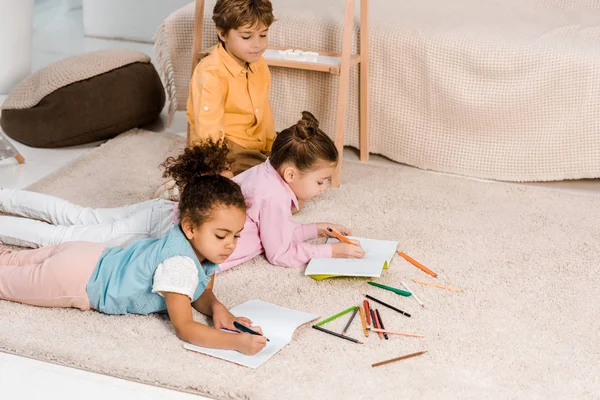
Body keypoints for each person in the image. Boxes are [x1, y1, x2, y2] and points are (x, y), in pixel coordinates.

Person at [0, 140, 266, 355]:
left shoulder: (202, 250)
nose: (230, 245)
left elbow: (200, 293)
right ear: (190, 227)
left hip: (88, 254)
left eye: (236, 236)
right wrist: (233, 343)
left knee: (10, 259)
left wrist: (220, 309)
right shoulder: (179, 264)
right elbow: (185, 327)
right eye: (222, 235)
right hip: (76, 281)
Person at [0, 140, 230, 249]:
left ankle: (5, 196)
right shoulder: (203, 207)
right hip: (156, 221)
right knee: (61, 237)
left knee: (80, 216)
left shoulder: (197, 190)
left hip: (157, 209)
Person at [154, 0, 276, 200]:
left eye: (263, 35)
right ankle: (186, 186)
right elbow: (208, 128)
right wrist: (220, 166)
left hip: (253, 142)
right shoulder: (212, 73)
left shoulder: (259, 64)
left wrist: (272, 147)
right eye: (247, 36)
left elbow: (263, 109)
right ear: (222, 33)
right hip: (224, 147)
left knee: (297, 164)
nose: (258, 44)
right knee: (269, 193)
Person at [220, 111, 366, 270]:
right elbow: (280, 254)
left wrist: (316, 229)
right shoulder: (274, 197)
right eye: (320, 181)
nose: (324, 188)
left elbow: (276, 231)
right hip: (210, 258)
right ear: (290, 174)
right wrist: (330, 251)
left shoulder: (262, 173)